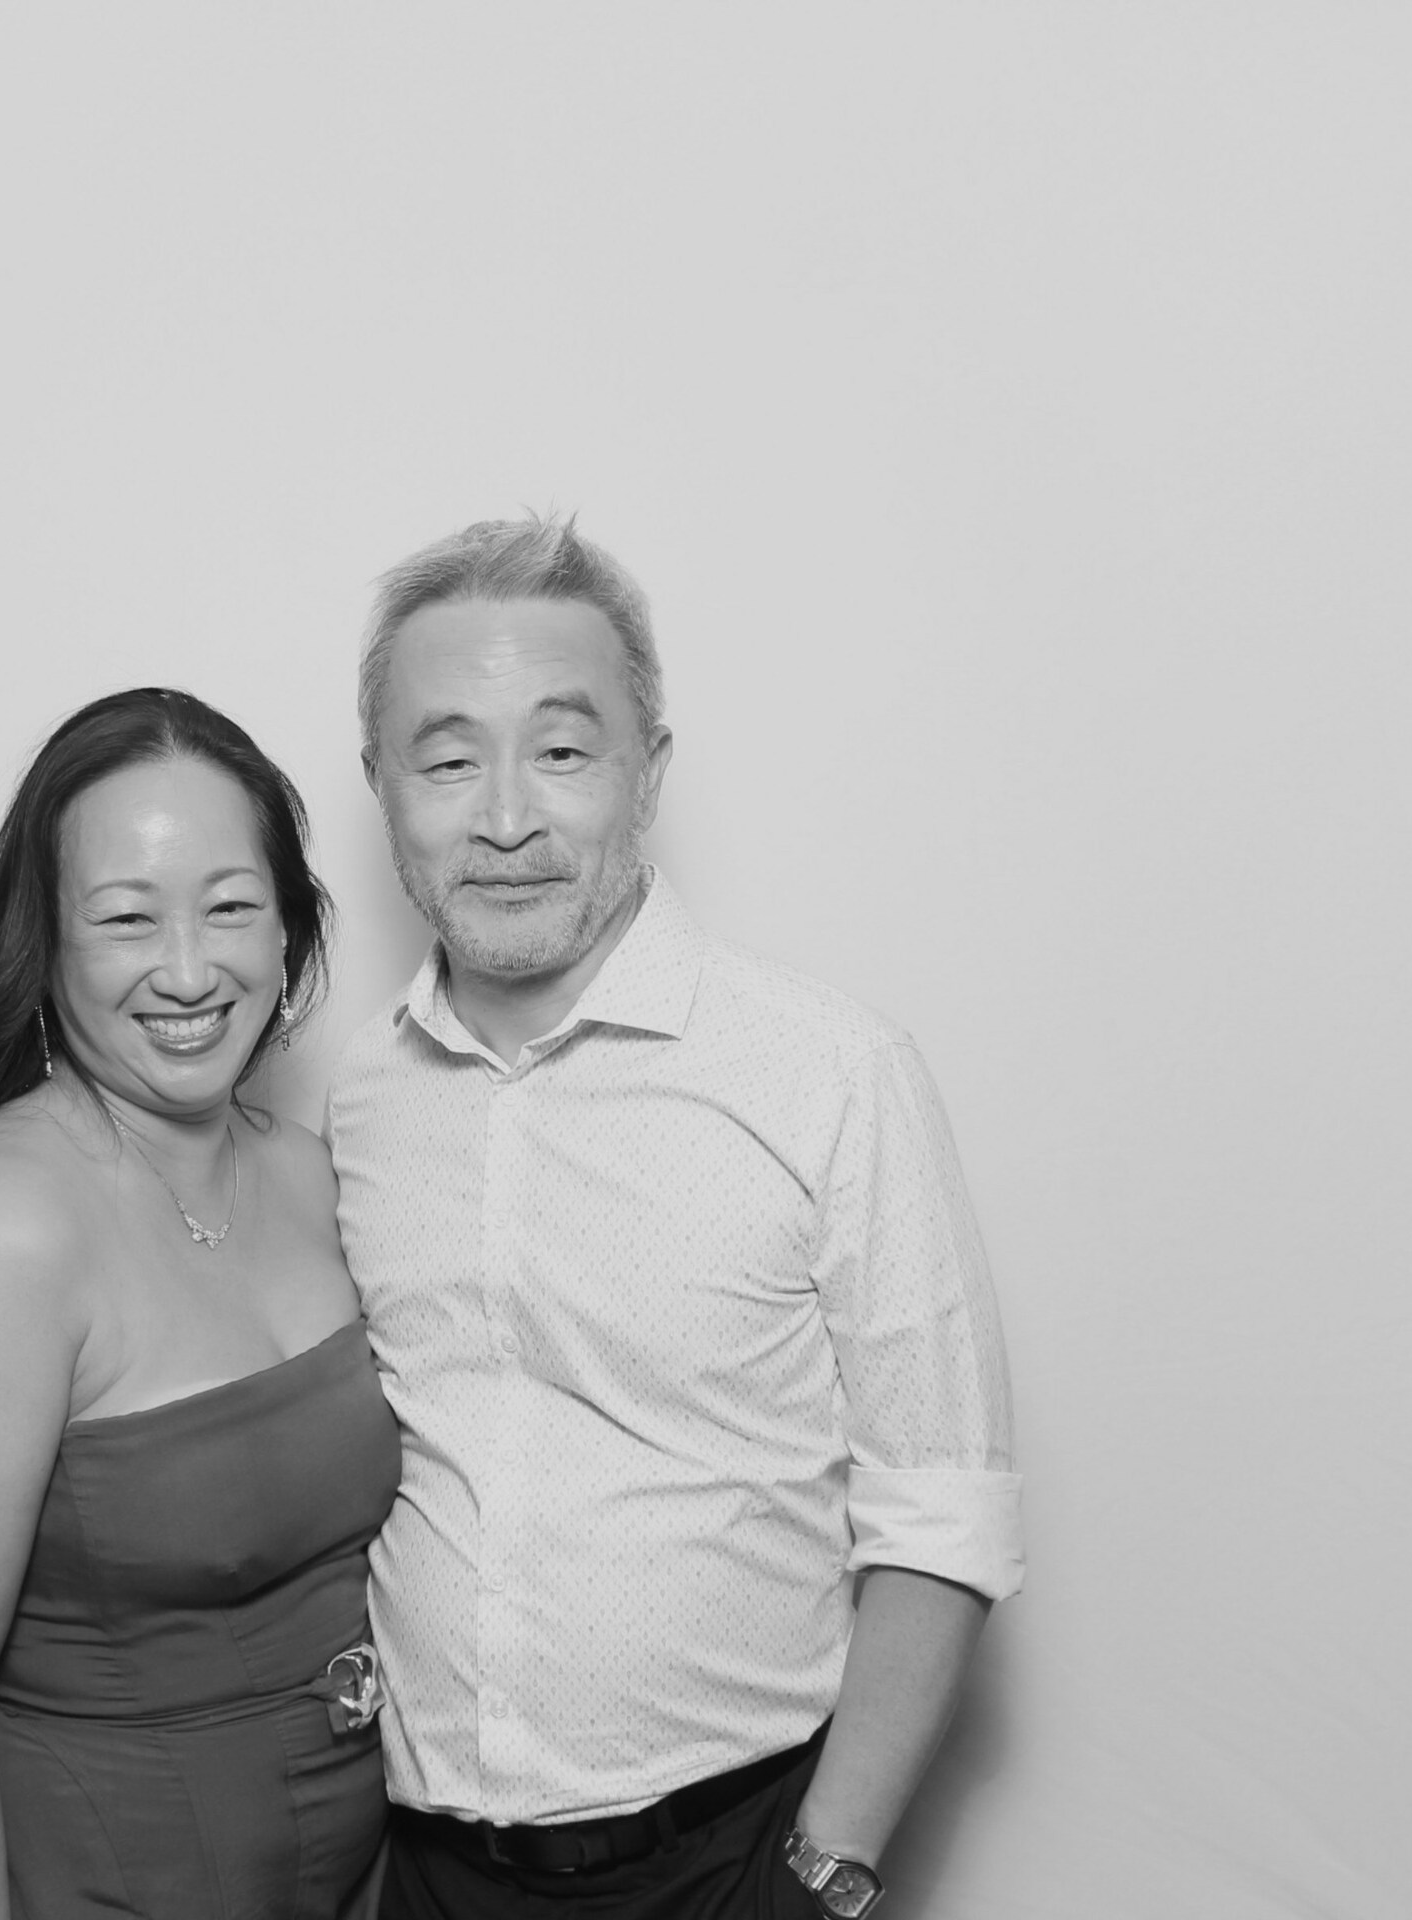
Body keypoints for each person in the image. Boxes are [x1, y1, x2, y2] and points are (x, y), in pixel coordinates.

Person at [326, 518, 1025, 1919]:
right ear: (382, 786)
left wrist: (820, 1874)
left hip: (734, 1861)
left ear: (647, 772)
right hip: (426, 1872)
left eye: (562, 751)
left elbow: (942, 1513)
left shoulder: (831, 1073)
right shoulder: (360, 1101)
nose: (505, 819)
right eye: (448, 760)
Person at [0, 688, 399, 1920]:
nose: (189, 972)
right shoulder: (0, 1227)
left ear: (289, 924)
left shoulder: (316, 1175)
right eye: (127, 919)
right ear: (46, 945)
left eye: (231, 907)